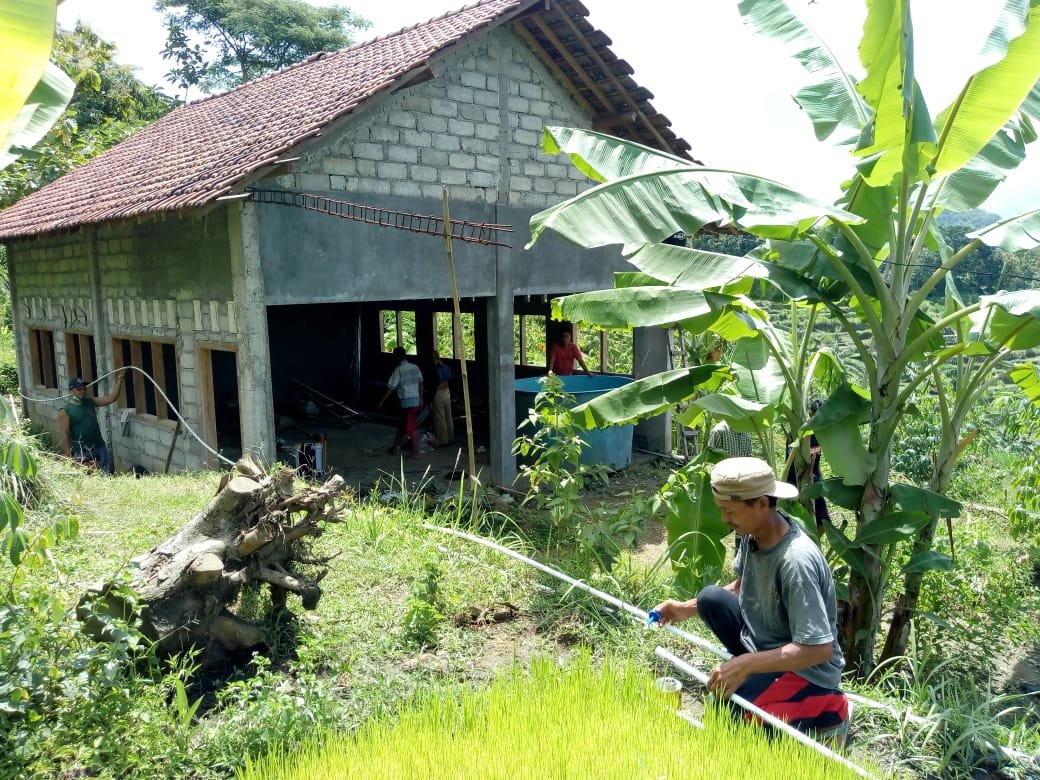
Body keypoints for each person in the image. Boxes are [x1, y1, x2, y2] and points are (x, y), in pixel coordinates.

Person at [652, 457, 848, 739]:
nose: (724, 519)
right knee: (710, 598)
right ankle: (759, 677)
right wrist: (684, 608)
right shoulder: (753, 532)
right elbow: (743, 585)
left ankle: (828, 708)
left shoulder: (796, 562)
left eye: (730, 511)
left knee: (729, 718)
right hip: (768, 644)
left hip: (808, 669)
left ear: (761, 503)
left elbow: (819, 650)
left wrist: (745, 664)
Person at [58, 373, 125, 473]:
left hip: (99, 447)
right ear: (71, 392)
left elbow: (111, 398)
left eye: (84, 388)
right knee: (88, 478)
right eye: (79, 389)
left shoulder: (90, 401)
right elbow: (65, 434)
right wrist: (69, 456)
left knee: (105, 475)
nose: (83, 391)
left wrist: (120, 380)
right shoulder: (65, 411)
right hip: (83, 451)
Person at [786, 399, 831, 534]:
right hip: (796, 484)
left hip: (814, 483)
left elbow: (816, 464)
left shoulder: (821, 434)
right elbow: (789, 464)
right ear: (810, 414)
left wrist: (821, 484)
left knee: (823, 525)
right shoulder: (798, 434)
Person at [378, 346, 424, 457]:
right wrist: (421, 398)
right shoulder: (415, 367)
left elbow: (391, 387)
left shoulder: (398, 369)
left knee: (411, 427)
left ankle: (416, 452)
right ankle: (394, 448)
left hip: (406, 404)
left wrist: (382, 400)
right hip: (416, 401)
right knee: (401, 425)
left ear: (396, 357)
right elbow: (421, 383)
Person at [430, 350, 454, 447]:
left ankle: (443, 440)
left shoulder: (435, 368)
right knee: (448, 416)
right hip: (447, 392)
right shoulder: (446, 366)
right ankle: (450, 437)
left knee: (440, 418)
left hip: (439, 393)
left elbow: (434, 383)